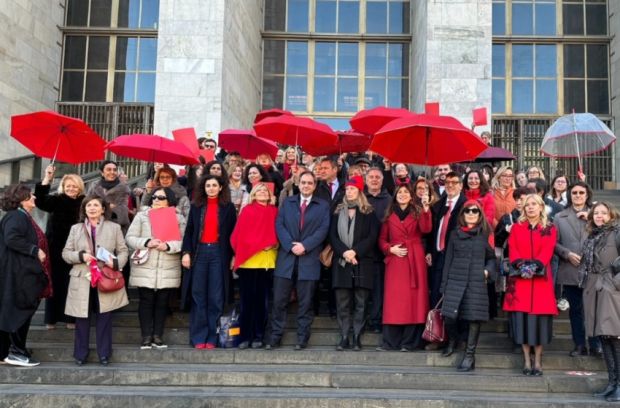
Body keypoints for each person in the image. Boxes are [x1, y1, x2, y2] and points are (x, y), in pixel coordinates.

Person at [62, 195, 129, 366]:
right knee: (81, 317)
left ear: (103, 209)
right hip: (82, 277)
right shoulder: (75, 229)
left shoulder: (113, 228)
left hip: (105, 276)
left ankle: (104, 353)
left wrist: (114, 262)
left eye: (96, 205)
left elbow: (123, 251)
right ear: (84, 210)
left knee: (105, 316)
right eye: (88, 205)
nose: (92, 208)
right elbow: (65, 253)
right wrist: (80, 256)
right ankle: (80, 354)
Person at [266, 171, 330, 350]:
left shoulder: (322, 206)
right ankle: (275, 336)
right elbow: (279, 225)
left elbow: (323, 229)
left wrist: (305, 246)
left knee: (306, 302)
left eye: (310, 183)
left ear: (315, 186)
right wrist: (290, 245)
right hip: (286, 259)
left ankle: (302, 338)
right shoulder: (288, 203)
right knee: (279, 300)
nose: (306, 186)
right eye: (303, 182)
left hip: (309, 259)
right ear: (298, 184)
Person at [503, 194, 558, 376]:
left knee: (540, 324)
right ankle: (526, 360)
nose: (530, 208)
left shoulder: (549, 228)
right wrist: (522, 266)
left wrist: (535, 266)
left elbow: (548, 250)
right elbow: (513, 249)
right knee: (523, 322)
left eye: (534, 204)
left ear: (541, 206)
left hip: (541, 281)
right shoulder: (517, 228)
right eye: (527, 205)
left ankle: (538, 361)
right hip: (520, 282)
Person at [126, 187, 186, 350]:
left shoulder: (178, 217)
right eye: (154, 197)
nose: (156, 200)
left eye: (161, 197)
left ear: (170, 200)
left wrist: (167, 246)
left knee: (162, 302)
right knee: (145, 301)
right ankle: (146, 336)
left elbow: (184, 242)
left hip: (168, 265)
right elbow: (130, 238)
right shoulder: (142, 215)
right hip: (146, 265)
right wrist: (146, 242)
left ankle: (157, 336)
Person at [181, 175, 236, 349]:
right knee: (198, 295)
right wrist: (186, 252)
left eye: (214, 185)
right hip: (200, 252)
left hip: (219, 254)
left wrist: (234, 255)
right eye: (208, 185)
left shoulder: (228, 208)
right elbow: (189, 231)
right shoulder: (196, 206)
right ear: (203, 188)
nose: (211, 188)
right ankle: (198, 337)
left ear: (221, 188)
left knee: (216, 296)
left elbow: (234, 233)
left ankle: (213, 336)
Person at [440, 200, 495, 371]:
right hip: (455, 280)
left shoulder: (485, 233)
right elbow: (447, 260)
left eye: (475, 211)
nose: (471, 213)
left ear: (480, 215)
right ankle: (453, 340)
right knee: (449, 316)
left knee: (473, 319)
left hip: (476, 281)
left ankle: (469, 356)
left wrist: (487, 271)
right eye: (467, 211)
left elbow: (492, 257)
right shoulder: (455, 234)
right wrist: (444, 285)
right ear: (462, 214)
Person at [0, 184, 51, 367]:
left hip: (20, 273)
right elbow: (11, 238)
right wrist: (34, 250)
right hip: (19, 275)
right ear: (21, 199)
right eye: (30, 196)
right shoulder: (16, 216)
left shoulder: (20, 216)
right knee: (19, 312)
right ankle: (16, 352)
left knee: (12, 312)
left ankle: (5, 352)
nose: (34, 198)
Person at [378, 184, 432, 351]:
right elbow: (381, 239)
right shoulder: (389, 216)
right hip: (395, 260)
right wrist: (389, 249)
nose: (402, 194)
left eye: (406, 192)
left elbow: (426, 229)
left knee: (414, 300)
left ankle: (410, 342)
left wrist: (426, 208)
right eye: (399, 192)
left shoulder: (418, 211)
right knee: (394, 301)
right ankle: (391, 342)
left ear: (411, 196)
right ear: (395, 196)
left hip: (414, 258)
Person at [329, 176, 379, 351]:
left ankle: (357, 336)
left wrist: (355, 251)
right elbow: (332, 235)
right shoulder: (337, 211)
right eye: (347, 189)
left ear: (359, 191)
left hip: (362, 261)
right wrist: (345, 252)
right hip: (342, 261)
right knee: (342, 302)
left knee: (361, 302)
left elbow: (372, 237)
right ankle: (344, 336)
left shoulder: (369, 212)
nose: (348, 191)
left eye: (352, 189)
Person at [35, 165, 85, 330]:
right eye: (68, 186)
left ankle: (71, 319)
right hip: (56, 248)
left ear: (80, 187)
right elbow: (40, 201)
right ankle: (51, 319)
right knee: (55, 283)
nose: (71, 189)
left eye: (74, 186)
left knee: (73, 284)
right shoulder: (56, 200)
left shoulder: (84, 202)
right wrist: (47, 178)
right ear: (63, 187)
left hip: (76, 250)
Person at [554, 181, 600, 357]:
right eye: (574, 193)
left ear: (587, 195)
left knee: (593, 309)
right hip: (570, 269)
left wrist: (590, 219)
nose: (578, 196)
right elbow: (554, 243)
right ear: (569, 195)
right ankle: (579, 344)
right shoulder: (560, 217)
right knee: (575, 310)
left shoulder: (596, 215)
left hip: (593, 270)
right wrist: (566, 254)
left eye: (581, 192)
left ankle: (596, 344)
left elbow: (607, 236)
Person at [230, 183, 278, 349]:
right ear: (254, 194)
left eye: (266, 190)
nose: (263, 192)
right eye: (260, 191)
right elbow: (240, 235)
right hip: (249, 261)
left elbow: (278, 232)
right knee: (246, 301)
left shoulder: (274, 211)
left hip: (267, 261)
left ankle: (258, 336)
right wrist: (260, 243)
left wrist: (272, 244)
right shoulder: (248, 210)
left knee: (262, 302)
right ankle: (244, 336)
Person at [581, 202, 620, 401]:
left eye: (604, 213)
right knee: (603, 337)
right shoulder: (592, 236)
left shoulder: (617, 232)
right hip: (594, 288)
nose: (599, 216)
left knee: (614, 337)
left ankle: (619, 385)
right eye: (596, 213)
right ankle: (612, 383)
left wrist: (615, 283)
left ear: (611, 215)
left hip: (611, 290)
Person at [365, 167, 393, 332]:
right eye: (371, 177)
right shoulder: (361, 198)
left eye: (377, 177)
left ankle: (376, 321)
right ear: (366, 180)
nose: (374, 180)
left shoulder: (389, 199)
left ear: (382, 181)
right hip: (362, 253)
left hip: (381, 253)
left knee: (378, 290)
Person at [88, 160, 131, 233]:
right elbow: (88, 203)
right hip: (96, 225)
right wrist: (107, 205)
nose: (112, 172)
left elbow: (122, 210)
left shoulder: (123, 187)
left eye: (114, 170)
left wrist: (100, 205)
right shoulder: (94, 186)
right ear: (102, 173)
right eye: (109, 169)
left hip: (117, 227)